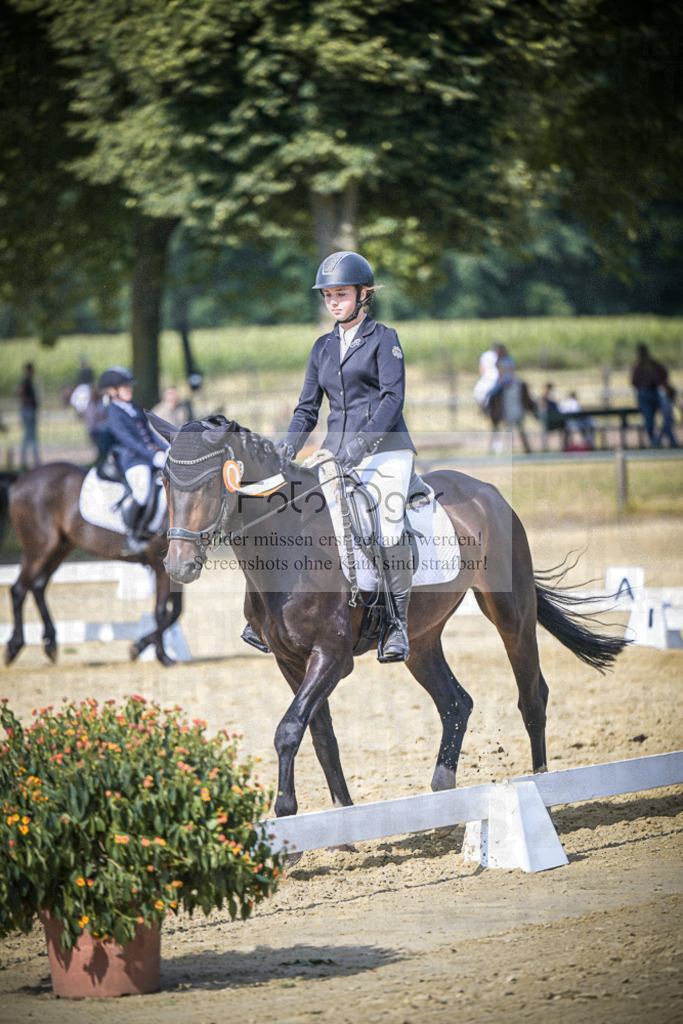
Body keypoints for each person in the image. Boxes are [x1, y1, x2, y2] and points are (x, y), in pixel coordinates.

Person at [276, 250, 416, 663]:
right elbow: (307, 409)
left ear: (363, 293)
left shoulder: (384, 339)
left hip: (385, 450)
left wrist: (361, 445)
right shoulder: (321, 347)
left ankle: (396, 624)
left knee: (387, 527)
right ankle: (274, 613)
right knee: (292, 511)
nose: (334, 301)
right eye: (328, 295)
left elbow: (393, 400)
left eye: (341, 294)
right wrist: (285, 448)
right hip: (333, 453)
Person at [99, 366, 168, 554]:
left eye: (129, 386)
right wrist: (154, 456)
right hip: (133, 460)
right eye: (124, 386)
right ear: (112, 391)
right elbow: (129, 441)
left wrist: (168, 448)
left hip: (148, 457)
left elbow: (149, 435)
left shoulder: (131, 408)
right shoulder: (114, 412)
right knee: (142, 490)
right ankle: (133, 536)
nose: (129, 389)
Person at [630, 343, 670, 447]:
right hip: (645, 393)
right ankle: (654, 440)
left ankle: (662, 439)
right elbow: (634, 382)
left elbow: (663, 376)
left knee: (666, 417)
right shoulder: (639, 366)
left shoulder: (650, 365)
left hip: (652, 392)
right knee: (649, 420)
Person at [15, 362, 40, 470]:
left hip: (30, 410)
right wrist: (28, 400)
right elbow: (19, 391)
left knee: (31, 436)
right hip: (28, 410)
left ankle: (31, 460)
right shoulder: (25, 381)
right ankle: (31, 460)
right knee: (30, 436)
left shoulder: (28, 381)